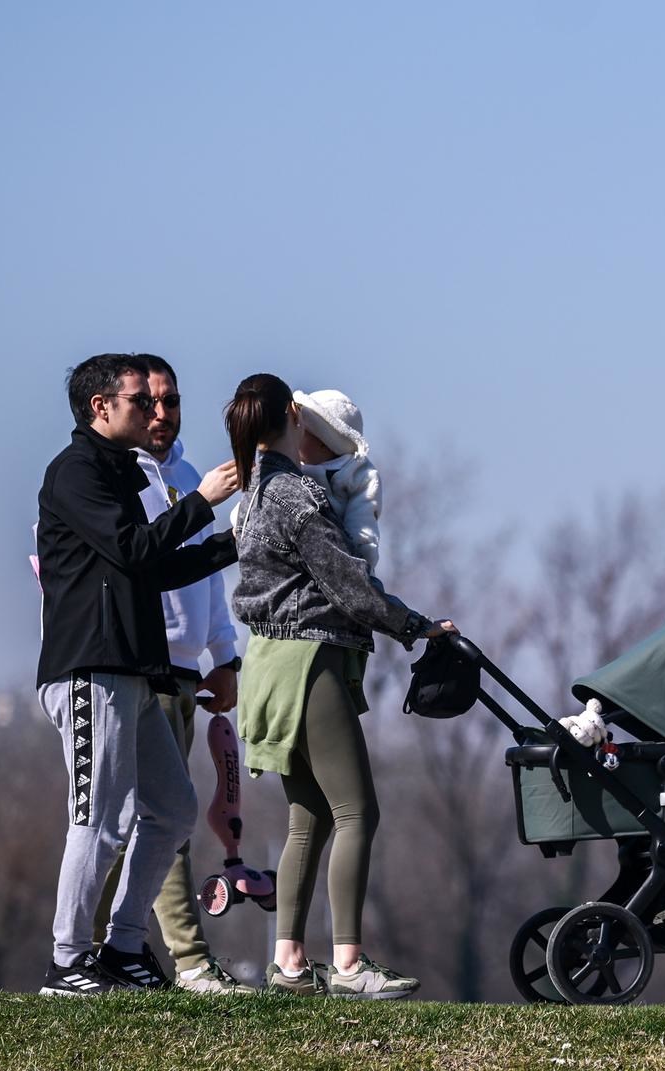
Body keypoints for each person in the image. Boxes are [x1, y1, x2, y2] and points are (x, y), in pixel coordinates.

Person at [224, 373, 456, 999]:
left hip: (266, 666)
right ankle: (350, 965)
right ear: (293, 418)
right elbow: (346, 581)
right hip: (310, 660)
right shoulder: (297, 496)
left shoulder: (250, 496)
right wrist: (415, 625)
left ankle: (290, 965)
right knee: (358, 811)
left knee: (309, 818)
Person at [35, 354, 241, 996]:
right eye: (140, 402)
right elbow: (132, 550)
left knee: (175, 809)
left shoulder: (121, 473)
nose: (157, 412)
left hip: (132, 671)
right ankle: (68, 960)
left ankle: (123, 948)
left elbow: (152, 567)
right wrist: (204, 501)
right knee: (97, 820)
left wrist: (237, 538)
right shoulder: (75, 471)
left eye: (161, 403)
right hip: (89, 669)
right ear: (100, 408)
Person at [293, 388, 381, 572]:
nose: (294, 434)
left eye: (302, 429)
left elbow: (362, 526)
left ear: (324, 442)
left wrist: (360, 571)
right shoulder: (290, 469)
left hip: (342, 568)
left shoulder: (359, 474)